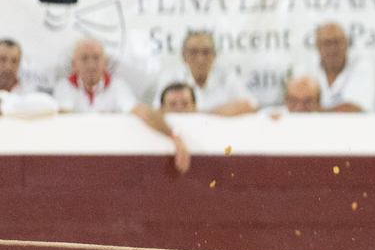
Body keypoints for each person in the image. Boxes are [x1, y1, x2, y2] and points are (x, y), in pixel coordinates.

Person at [53, 38, 191, 172]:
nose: (91, 64)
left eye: (96, 58)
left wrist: (173, 136)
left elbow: (140, 111)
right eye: (84, 58)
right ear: (73, 64)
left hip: (111, 160)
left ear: (105, 62)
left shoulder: (118, 87)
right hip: (77, 160)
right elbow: (66, 119)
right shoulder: (64, 88)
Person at [154, 31, 256, 115]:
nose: (200, 59)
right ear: (183, 56)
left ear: (214, 55)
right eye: (193, 52)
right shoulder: (170, 77)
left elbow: (251, 106)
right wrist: (220, 113)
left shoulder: (227, 76)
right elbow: (158, 113)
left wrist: (199, 114)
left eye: (206, 52)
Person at [308, 22, 375, 111]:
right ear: (317, 46)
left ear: (347, 43)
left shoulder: (362, 65)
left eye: (337, 42)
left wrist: (313, 111)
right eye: (326, 43)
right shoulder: (307, 67)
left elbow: (354, 110)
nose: (332, 49)